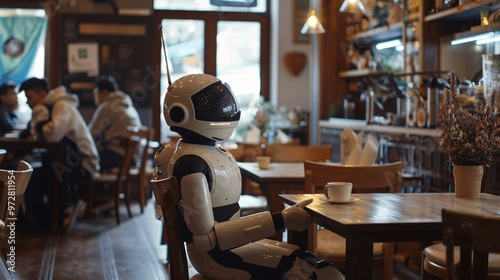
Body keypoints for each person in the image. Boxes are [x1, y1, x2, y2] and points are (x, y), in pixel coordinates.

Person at [154, 73, 343, 279]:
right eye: (213, 105)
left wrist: (280, 220)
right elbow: (205, 240)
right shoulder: (192, 163)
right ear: (180, 113)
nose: (225, 109)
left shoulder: (198, 155)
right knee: (325, 274)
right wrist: (280, 220)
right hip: (217, 259)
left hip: (230, 248)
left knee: (318, 267)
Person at [19, 77, 99, 231]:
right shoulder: (55, 105)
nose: (28, 102)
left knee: (34, 178)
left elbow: (51, 134)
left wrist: (39, 123)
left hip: (83, 163)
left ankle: (44, 223)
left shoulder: (61, 105)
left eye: (30, 97)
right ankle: (41, 222)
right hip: (71, 161)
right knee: (36, 176)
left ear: (41, 95)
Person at [88, 75, 142, 172]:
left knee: (86, 160)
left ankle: (93, 187)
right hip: (133, 157)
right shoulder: (127, 105)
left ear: (103, 93)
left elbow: (91, 135)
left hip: (119, 157)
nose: (95, 99)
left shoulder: (107, 106)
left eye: (95, 94)